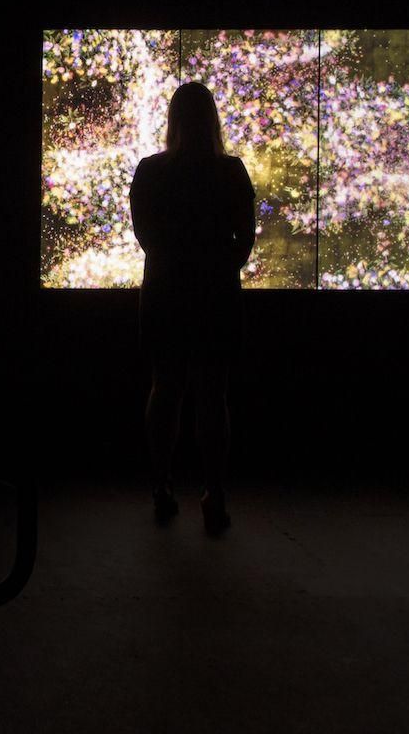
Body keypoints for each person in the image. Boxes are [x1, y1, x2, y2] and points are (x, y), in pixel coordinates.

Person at [131, 82, 255, 536]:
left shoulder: (151, 171)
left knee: (165, 388)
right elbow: (245, 239)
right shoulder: (231, 172)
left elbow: (145, 236)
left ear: (173, 121)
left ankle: (161, 486)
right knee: (213, 396)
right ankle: (214, 492)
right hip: (215, 297)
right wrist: (218, 267)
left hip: (165, 295)